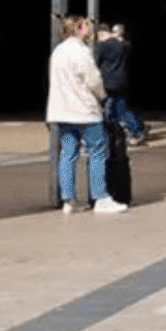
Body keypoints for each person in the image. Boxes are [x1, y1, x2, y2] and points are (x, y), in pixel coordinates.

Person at [47, 14, 127, 215]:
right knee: (97, 152)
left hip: (62, 111)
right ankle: (100, 197)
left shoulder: (58, 52)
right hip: (85, 111)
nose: (89, 29)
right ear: (78, 29)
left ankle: (68, 200)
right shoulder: (81, 52)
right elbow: (93, 80)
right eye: (85, 26)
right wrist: (101, 96)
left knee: (68, 155)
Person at [95, 22, 146, 146]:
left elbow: (96, 62)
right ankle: (137, 129)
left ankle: (108, 133)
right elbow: (127, 45)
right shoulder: (124, 45)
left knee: (105, 108)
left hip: (106, 82)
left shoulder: (102, 46)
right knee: (121, 108)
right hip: (121, 81)